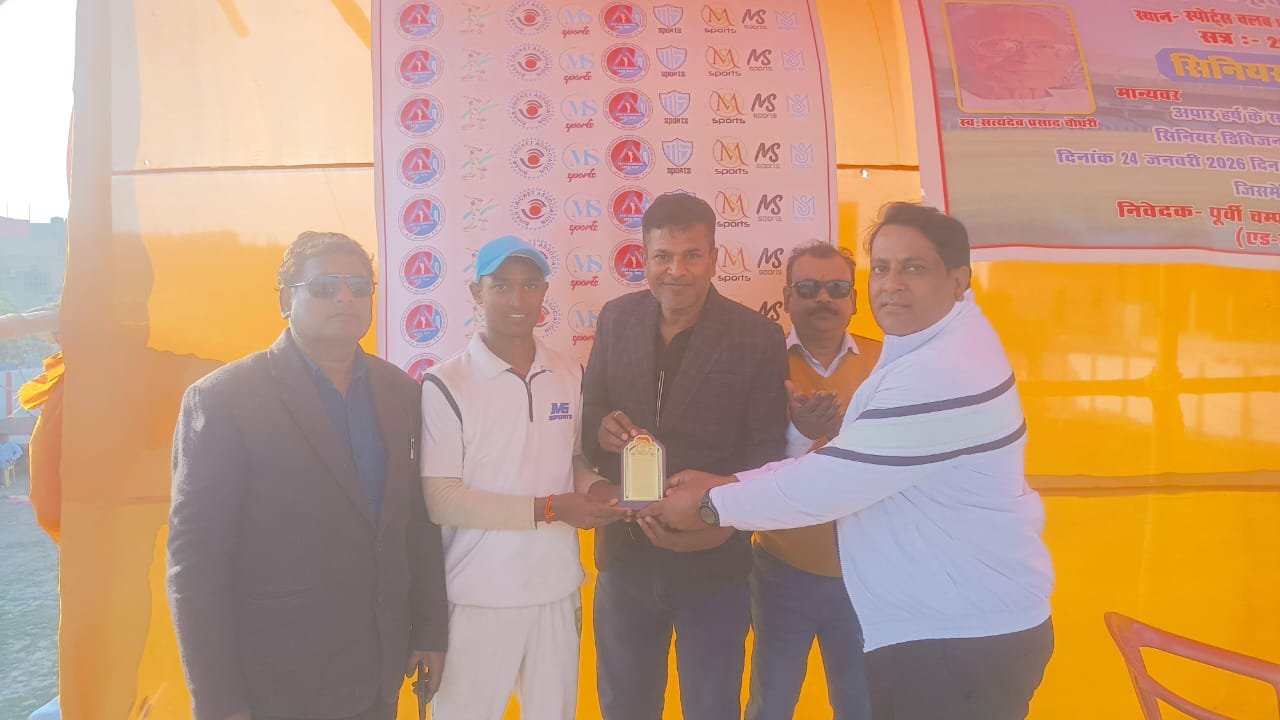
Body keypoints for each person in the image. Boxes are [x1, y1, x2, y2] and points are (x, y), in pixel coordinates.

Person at [643, 203, 1055, 720]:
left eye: (913, 268)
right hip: (935, 624)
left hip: (961, 639)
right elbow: (837, 466)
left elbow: (834, 481)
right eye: (881, 268)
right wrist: (725, 485)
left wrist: (710, 503)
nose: (892, 284)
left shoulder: (940, 370)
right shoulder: (926, 349)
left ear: (958, 280)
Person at [168, 231, 449, 720]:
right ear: (285, 299)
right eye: (324, 287)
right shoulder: (224, 399)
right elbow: (195, 565)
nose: (344, 298)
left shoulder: (400, 392)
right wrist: (217, 702)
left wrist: (429, 629)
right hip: (275, 679)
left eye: (358, 287)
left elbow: (415, 523)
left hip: (377, 669)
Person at [582, 192, 789, 720]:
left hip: (714, 564)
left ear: (714, 259)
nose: (676, 270)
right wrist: (600, 428)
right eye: (663, 256)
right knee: (624, 708)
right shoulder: (616, 318)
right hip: (626, 559)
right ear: (644, 258)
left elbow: (767, 452)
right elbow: (590, 411)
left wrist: (719, 525)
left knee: (712, 708)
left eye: (691, 256)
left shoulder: (757, 336)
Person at [420, 236, 628, 720]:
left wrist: (597, 488)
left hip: (556, 589)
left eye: (530, 285)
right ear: (476, 292)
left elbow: (571, 459)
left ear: (544, 292)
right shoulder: (446, 382)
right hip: (478, 596)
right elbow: (441, 499)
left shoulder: (569, 371)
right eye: (501, 286)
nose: (517, 298)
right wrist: (550, 509)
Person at [747, 242, 882, 720]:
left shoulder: (888, 363)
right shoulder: (760, 366)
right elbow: (746, 465)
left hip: (869, 575)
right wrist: (800, 435)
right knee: (771, 703)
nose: (823, 298)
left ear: (854, 300)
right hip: (783, 571)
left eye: (836, 288)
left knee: (861, 706)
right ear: (786, 298)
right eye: (807, 288)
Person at [948, 4, 1092, 113]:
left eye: (1044, 47)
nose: (1027, 58)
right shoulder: (950, 103)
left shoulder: (1082, 100)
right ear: (961, 52)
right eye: (1000, 44)